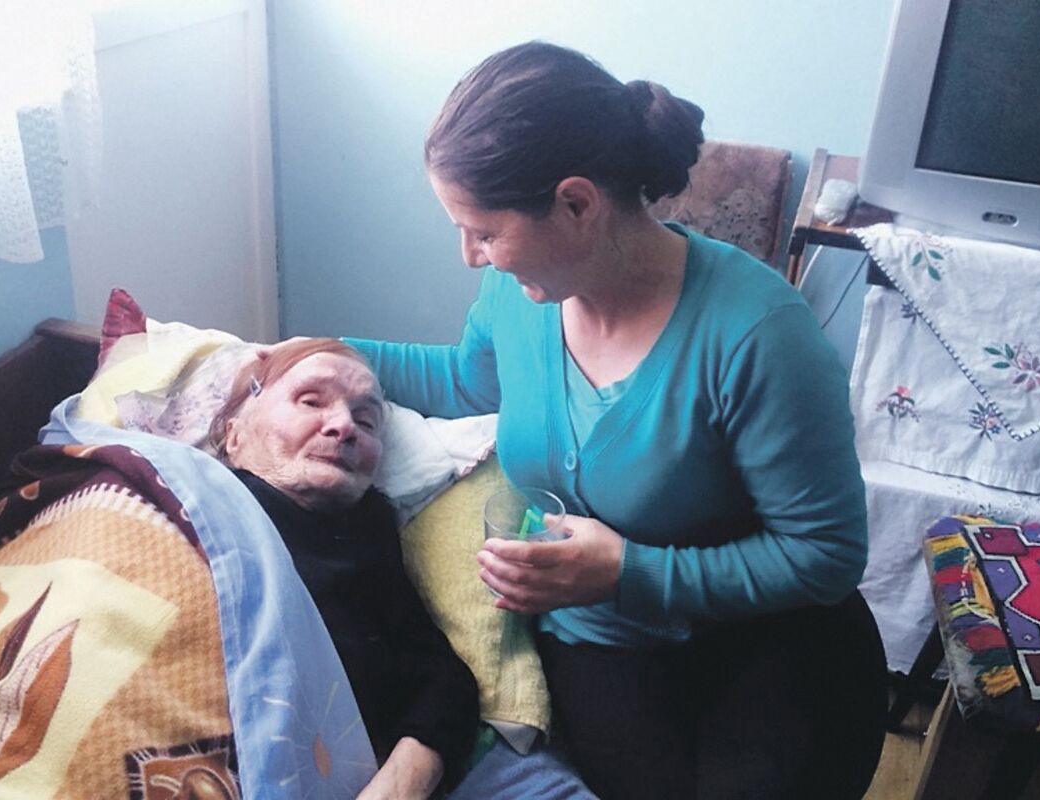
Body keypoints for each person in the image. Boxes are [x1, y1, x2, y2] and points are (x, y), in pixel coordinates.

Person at [336, 41, 887, 799]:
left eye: (484, 231)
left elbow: (825, 555)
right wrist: (323, 352)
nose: (471, 256)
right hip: (597, 640)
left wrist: (629, 572)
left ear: (577, 204)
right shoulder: (520, 296)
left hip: (759, 635)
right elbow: (468, 378)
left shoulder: (759, 336)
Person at [209, 338, 479, 799]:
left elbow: (441, 681)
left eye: (366, 420)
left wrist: (398, 787)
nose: (344, 426)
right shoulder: (183, 499)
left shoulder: (368, 533)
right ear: (235, 436)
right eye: (310, 401)